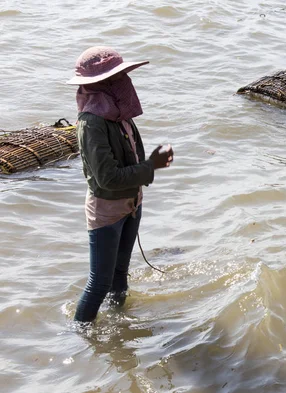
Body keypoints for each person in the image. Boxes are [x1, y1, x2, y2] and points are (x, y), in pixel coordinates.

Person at [66, 46, 174, 323]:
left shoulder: (119, 116)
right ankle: (81, 336)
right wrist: (152, 166)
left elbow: (131, 159)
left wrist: (147, 168)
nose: (125, 81)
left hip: (131, 203)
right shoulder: (92, 123)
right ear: (102, 85)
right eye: (118, 77)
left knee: (119, 274)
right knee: (99, 283)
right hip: (107, 210)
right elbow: (108, 178)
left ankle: (119, 324)